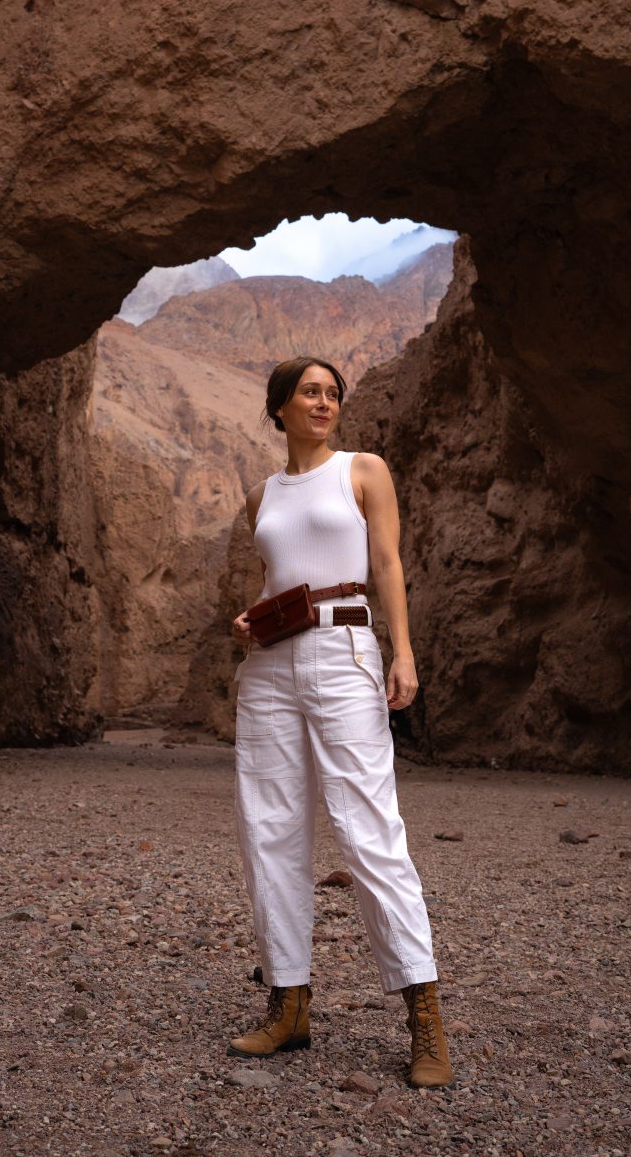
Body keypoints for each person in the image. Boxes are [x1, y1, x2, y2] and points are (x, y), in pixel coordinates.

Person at [227, 355, 453, 1089]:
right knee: (271, 830)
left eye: (332, 393)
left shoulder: (363, 469)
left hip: (344, 649)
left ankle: (423, 1014)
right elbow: (275, 576)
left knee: (368, 830)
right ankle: (289, 1006)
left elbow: (386, 563)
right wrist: (248, 622)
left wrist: (404, 652)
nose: (324, 403)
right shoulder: (261, 492)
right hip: (269, 665)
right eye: (309, 392)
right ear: (280, 407)